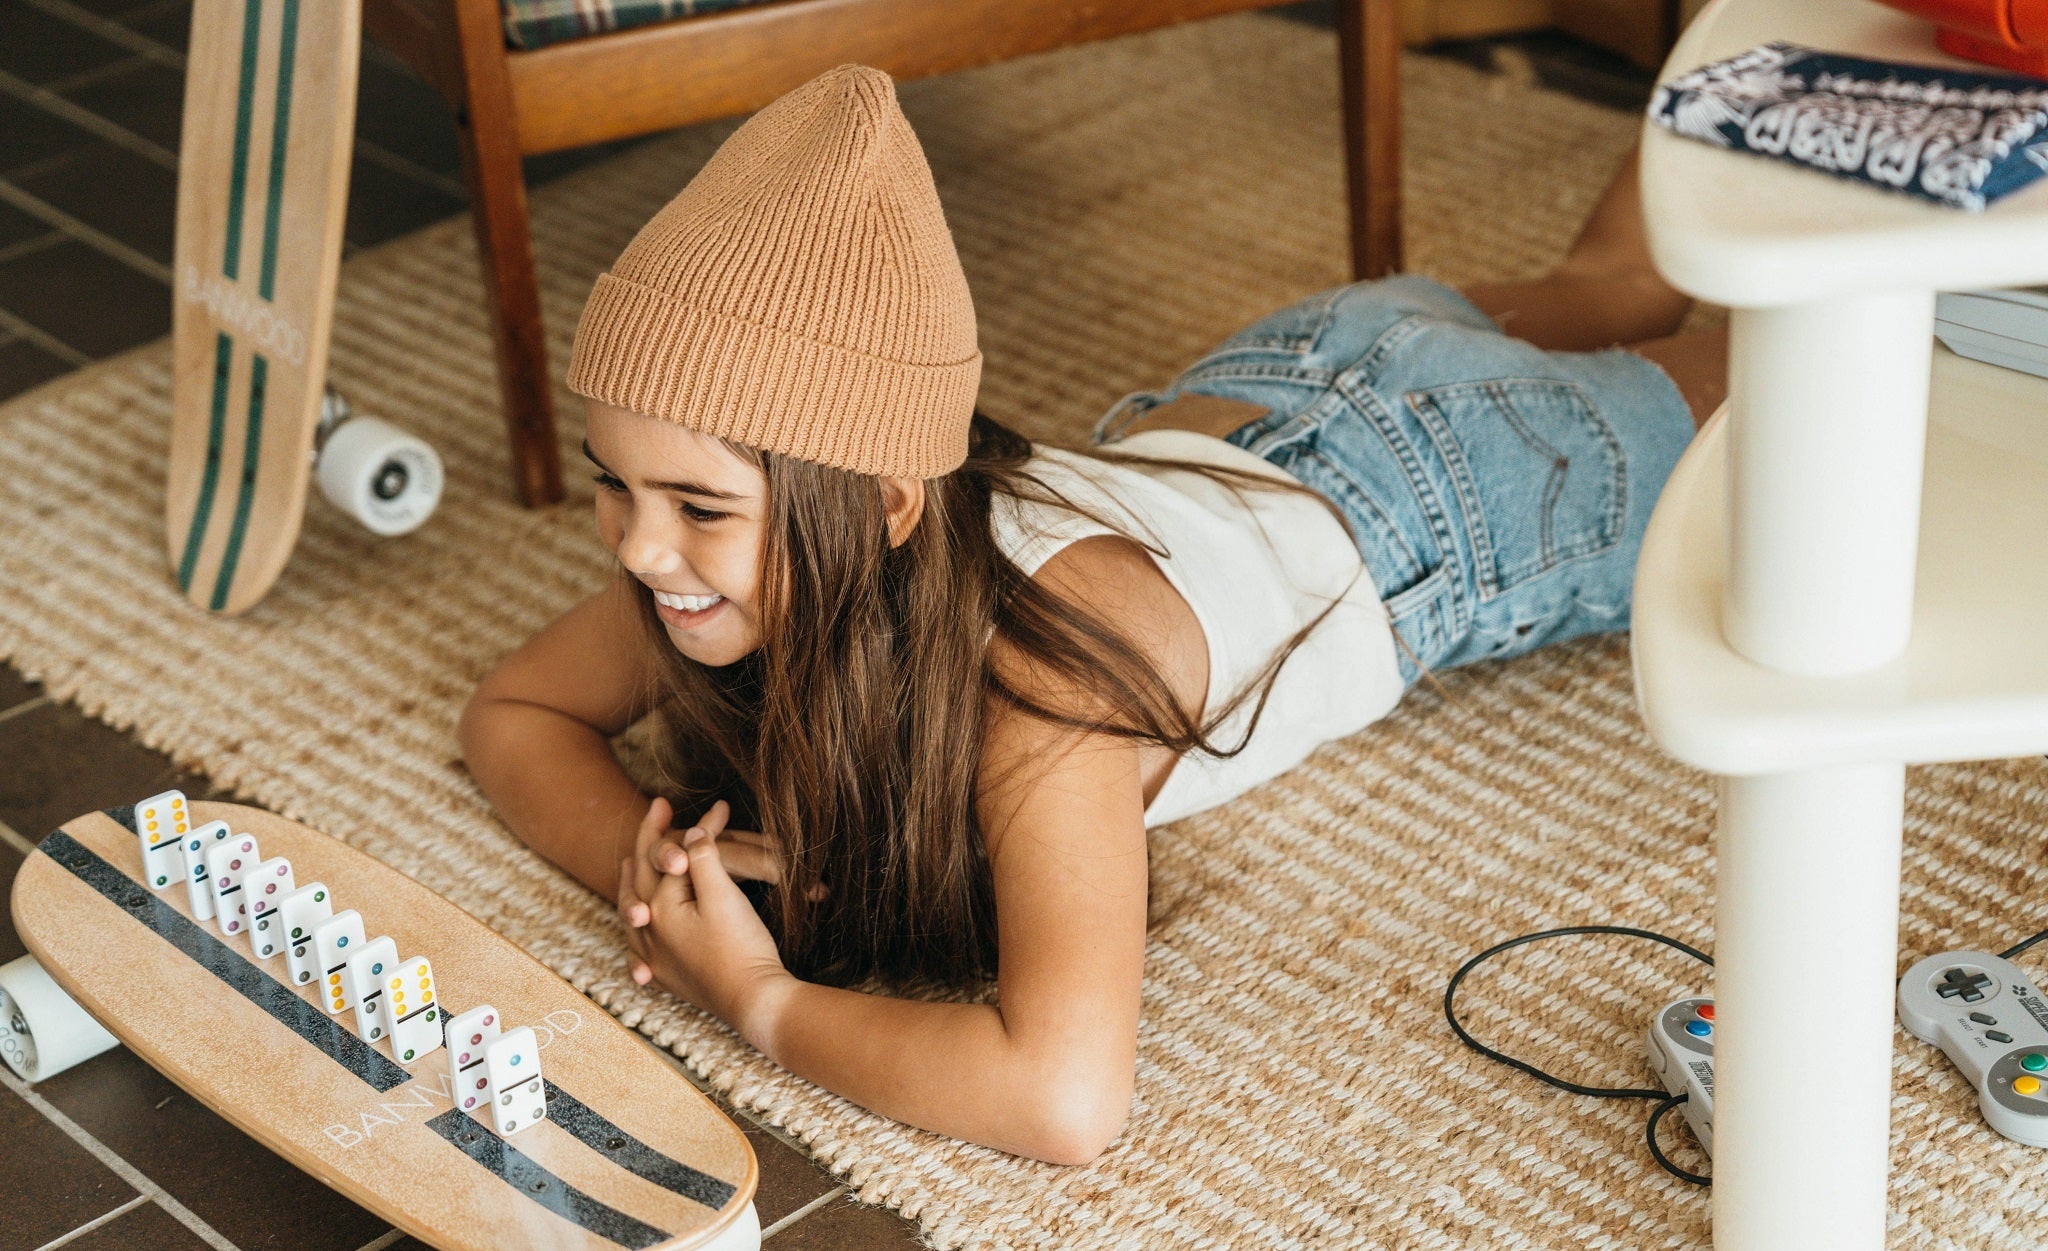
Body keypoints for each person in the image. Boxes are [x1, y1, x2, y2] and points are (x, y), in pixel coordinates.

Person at [458, 64, 1726, 1164]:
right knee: (1614, 283)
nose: (641, 548)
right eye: (614, 484)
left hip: (1455, 494)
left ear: (884, 505)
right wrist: (653, 864)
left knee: (1815, 382)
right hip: (1271, 379)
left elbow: (1062, 1100)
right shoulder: (740, 560)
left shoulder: (1039, 676)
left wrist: (754, 996)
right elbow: (511, 710)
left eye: (697, 505)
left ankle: (1781, 61)